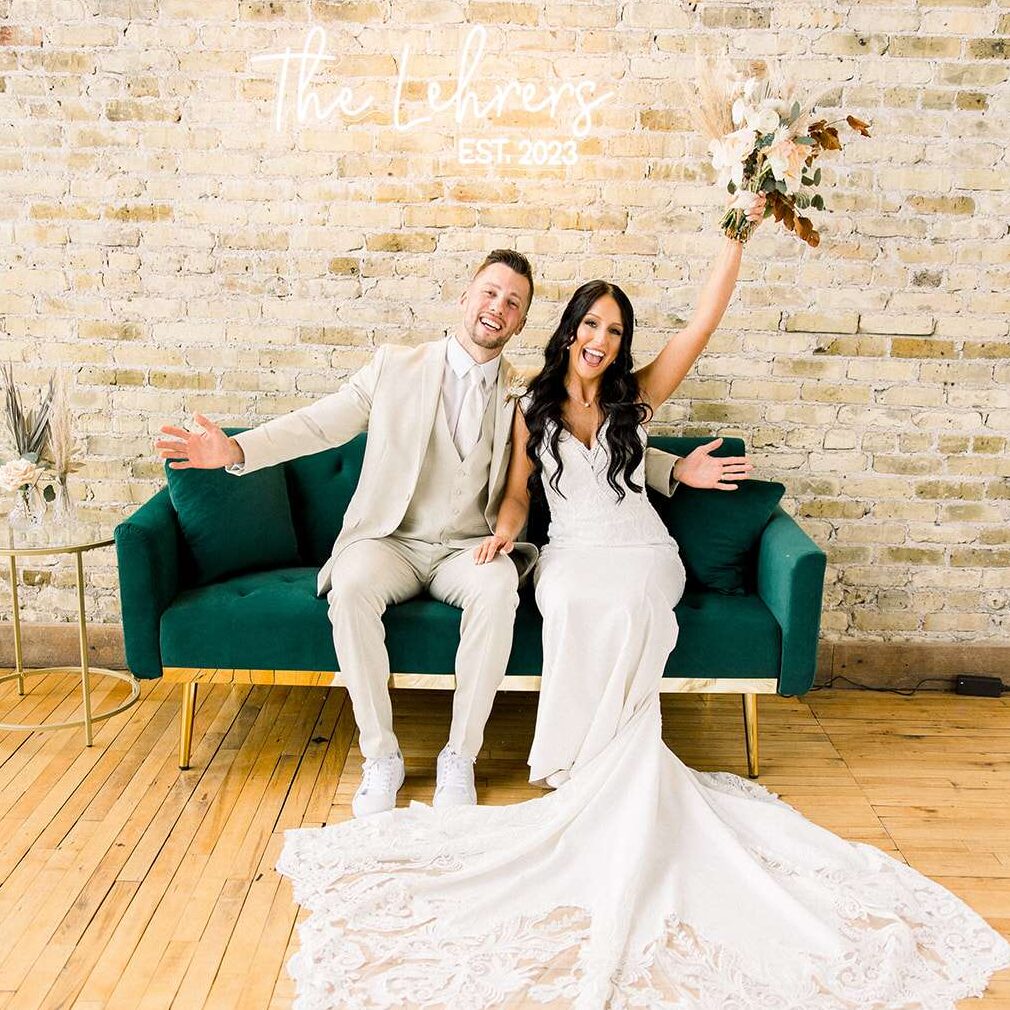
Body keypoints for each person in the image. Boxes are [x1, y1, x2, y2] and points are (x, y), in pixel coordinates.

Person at [274, 210, 1010, 1008]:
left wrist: (735, 236)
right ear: (565, 331)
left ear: (623, 345)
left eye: (615, 331)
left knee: (630, 598)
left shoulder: (636, 397)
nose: (601, 339)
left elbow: (701, 325)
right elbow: (518, 497)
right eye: (591, 324)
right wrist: (502, 537)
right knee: (570, 593)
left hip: (642, 547)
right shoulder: (529, 408)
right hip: (572, 551)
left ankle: (613, 763)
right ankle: (583, 764)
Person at [155, 249, 682, 819]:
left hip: (467, 547)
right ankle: (381, 757)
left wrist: (670, 468)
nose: (497, 308)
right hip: (391, 542)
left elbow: (593, 436)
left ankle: (461, 755)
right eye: (489, 293)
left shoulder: (524, 392)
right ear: (465, 298)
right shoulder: (393, 367)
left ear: (523, 323)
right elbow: (320, 422)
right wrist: (237, 449)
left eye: (513, 303)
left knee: (500, 587)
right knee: (350, 585)